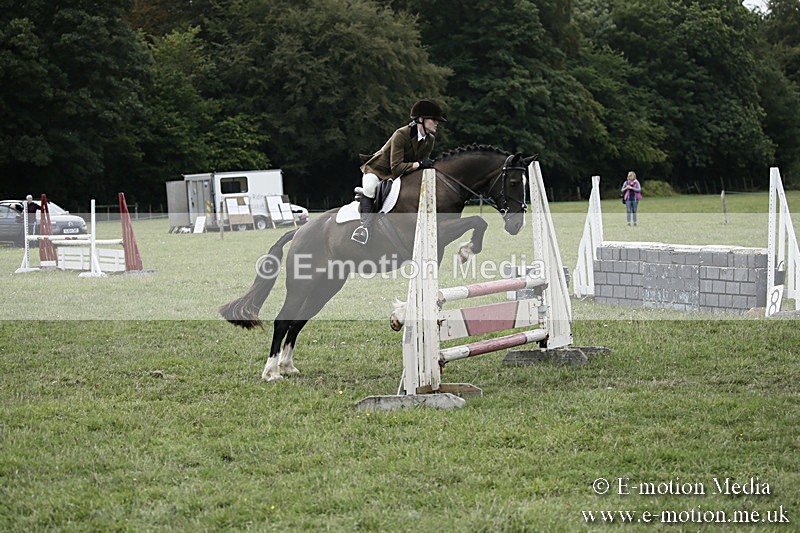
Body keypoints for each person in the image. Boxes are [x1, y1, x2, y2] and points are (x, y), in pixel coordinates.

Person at [351, 99, 446, 245]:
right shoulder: (401, 134)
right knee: (370, 188)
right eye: (433, 119)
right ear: (420, 119)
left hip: (403, 173)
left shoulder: (430, 139)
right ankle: (364, 229)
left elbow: (420, 166)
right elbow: (396, 168)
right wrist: (419, 164)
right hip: (379, 170)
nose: (437, 123)